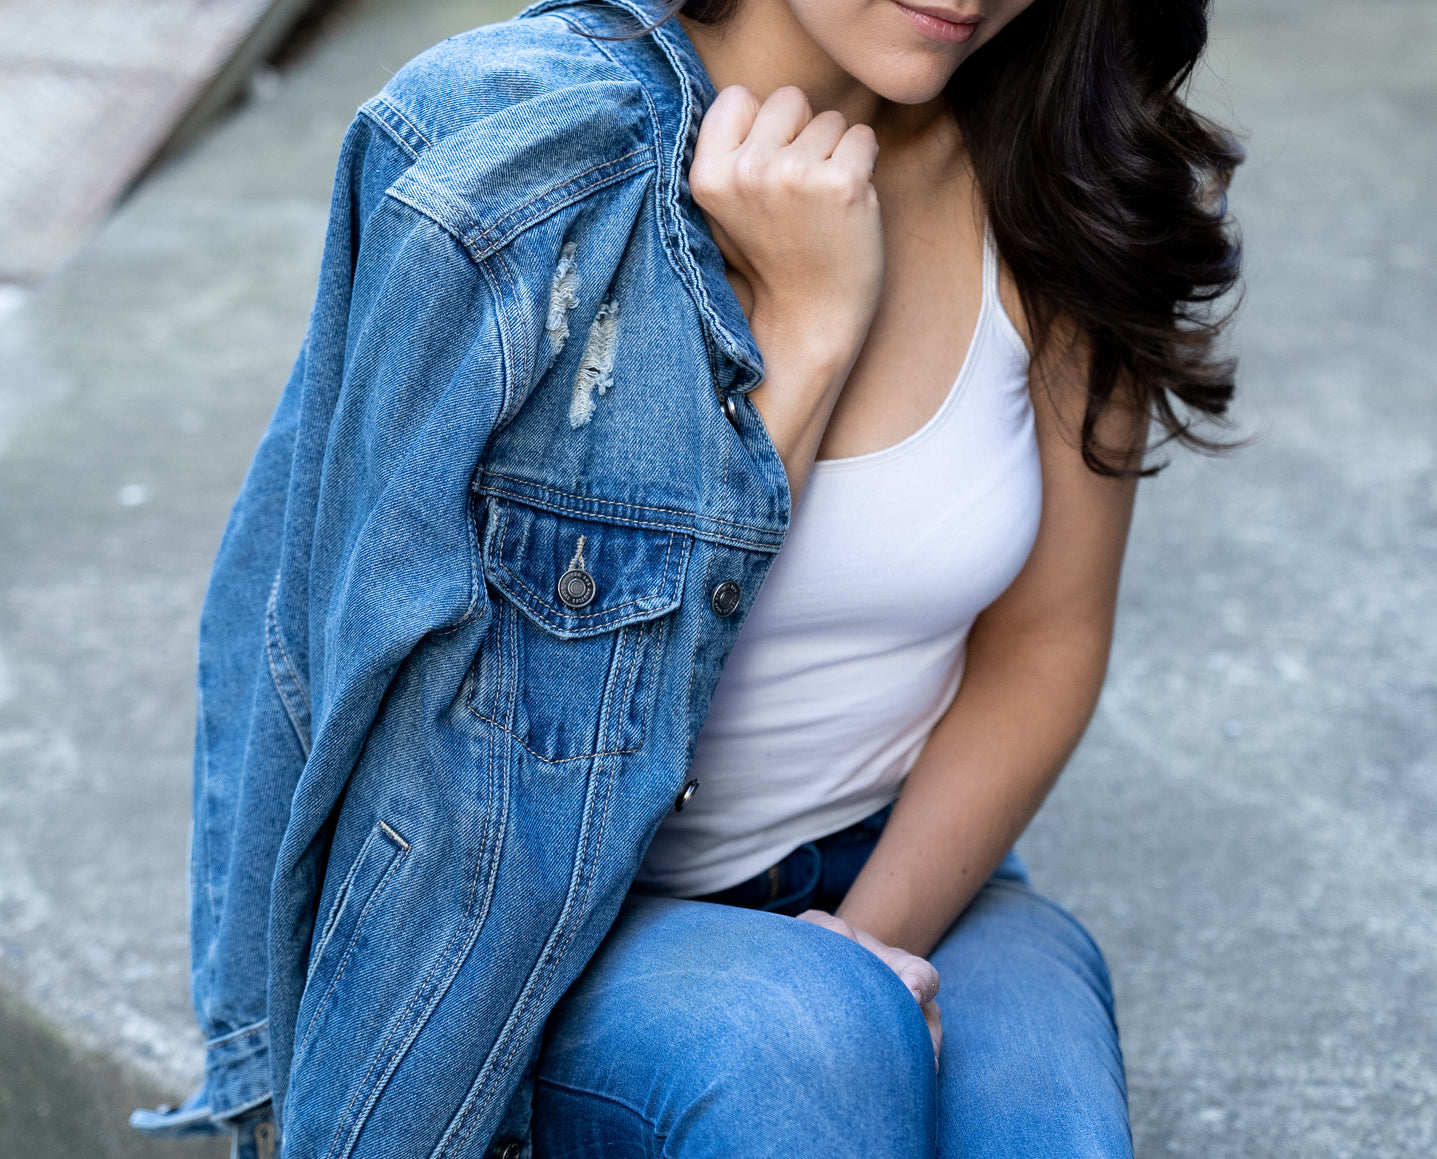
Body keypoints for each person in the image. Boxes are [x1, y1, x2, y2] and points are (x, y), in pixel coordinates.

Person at [132, 0, 1240, 1156]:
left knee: (1039, 1122)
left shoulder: (1060, 165)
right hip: (544, 917)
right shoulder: (527, 159)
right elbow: (338, 659)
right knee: (796, 1038)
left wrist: (864, 936)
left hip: (886, 847)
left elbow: (1042, 640)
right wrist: (808, 334)